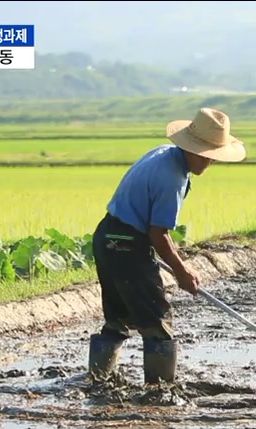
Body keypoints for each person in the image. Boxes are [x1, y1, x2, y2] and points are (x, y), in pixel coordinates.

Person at [88, 107, 247, 385]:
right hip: (128, 246)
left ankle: (97, 381)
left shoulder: (162, 153)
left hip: (107, 237)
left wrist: (172, 260)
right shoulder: (172, 177)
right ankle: (159, 392)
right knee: (157, 324)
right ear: (191, 149)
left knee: (117, 320)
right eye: (206, 155)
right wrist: (181, 271)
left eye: (213, 156)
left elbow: (151, 227)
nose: (209, 162)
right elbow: (158, 234)